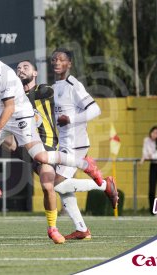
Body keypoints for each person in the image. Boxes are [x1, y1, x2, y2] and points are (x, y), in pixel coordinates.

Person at [0, 41, 103, 226]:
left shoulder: (29, 84)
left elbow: (10, 107)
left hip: (23, 121)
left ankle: (87, 170)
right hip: (6, 119)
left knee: (51, 182)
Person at [50, 48, 119, 239]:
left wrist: (71, 119)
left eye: (61, 59)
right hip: (65, 144)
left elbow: (95, 110)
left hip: (76, 145)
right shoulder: (55, 88)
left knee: (56, 184)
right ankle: (81, 229)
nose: (57, 62)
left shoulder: (74, 85)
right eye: (54, 59)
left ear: (69, 64)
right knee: (63, 189)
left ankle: (104, 186)